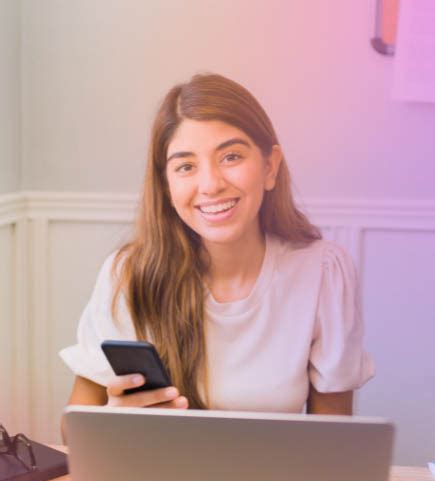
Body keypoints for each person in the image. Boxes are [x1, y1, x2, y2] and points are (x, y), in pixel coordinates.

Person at [60, 73, 374, 438]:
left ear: (269, 167)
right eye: (186, 166)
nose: (210, 185)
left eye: (231, 157)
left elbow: (333, 442)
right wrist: (109, 423)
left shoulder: (322, 272)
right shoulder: (127, 274)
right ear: (166, 184)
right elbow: (72, 436)